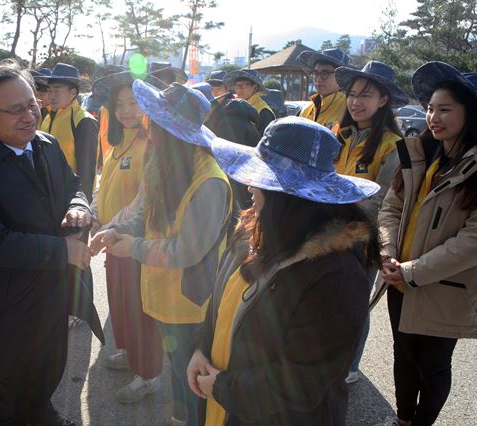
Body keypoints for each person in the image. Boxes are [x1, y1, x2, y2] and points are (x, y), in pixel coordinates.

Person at [189, 116, 382, 425]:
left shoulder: (337, 276)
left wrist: (223, 387)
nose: (249, 185)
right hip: (224, 403)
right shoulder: (253, 228)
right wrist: (201, 347)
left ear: (289, 198)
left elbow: (303, 381)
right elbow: (218, 301)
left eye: (260, 179)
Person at [0, 63, 93, 426]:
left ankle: (44, 415)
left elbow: (74, 185)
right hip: (12, 305)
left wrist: (77, 205)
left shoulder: (45, 144)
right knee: (13, 393)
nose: (30, 115)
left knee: (48, 373)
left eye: (32, 104)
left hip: (54, 293)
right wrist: (63, 251)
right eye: (15, 109)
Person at [91, 81, 232, 426]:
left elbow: (186, 251)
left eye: (154, 125)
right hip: (162, 294)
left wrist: (132, 247)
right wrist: (117, 230)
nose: (148, 133)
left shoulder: (210, 182)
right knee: (177, 368)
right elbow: (144, 213)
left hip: (190, 303)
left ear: (173, 132)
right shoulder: (165, 164)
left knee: (193, 377)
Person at [373, 62, 477, 426]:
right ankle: (403, 419)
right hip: (398, 277)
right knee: (404, 356)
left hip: (442, 285)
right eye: (431, 107)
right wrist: (387, 252)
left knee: (433, 365)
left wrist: (411, 272)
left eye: (445, 109)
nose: (434, 116)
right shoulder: (421, 154)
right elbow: (391, 207)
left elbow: (471, 243)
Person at [90, 70, 166, 403]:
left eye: (134, 103)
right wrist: (94, 210)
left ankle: (149, 374)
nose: (127, 111)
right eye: (120, 104)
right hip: (114, 242)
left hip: (136, 244)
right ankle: (131, 354)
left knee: (140, 309)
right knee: (121, 303)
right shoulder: (118, 142)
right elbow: (103, 182)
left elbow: (145, 200)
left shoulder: (153, 144)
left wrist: (112, 227)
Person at [333, 60, 408, 384]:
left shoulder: (394, 145)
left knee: (355, 301)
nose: (356, 101)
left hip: (363, 239)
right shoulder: (340, 134)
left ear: (384, 100)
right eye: (352, 93)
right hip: (329, 234)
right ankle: (330, 354)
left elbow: (385, 201)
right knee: (330, 296)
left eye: (366, 94)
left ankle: (350, 365)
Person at [38, 62, 98, 202]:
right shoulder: (46, 118)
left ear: (73, 93)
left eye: (57, 91)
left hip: (71, 197)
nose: (51, 96)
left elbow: (86, 169)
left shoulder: (83, 121)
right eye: (49, 90)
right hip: (47, 194)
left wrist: (82, 203)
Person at [204, 90, 260, 211]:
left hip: (239, 179)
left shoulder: (227, 124)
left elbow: (226, 158)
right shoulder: (244, 122)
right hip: (249, 176)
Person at [298, 48, 350, 130]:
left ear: (341, 76)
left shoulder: (349, 110)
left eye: (325, 73)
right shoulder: (306, 111)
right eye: (315, 73)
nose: (318, 79)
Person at [222, 69, 275, 135]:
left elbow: (263, 141)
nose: (239, 90)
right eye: (237, 86)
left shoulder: (264, 111)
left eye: (243, 86)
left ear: (255, 88)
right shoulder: (232, 105)